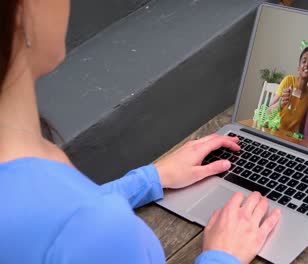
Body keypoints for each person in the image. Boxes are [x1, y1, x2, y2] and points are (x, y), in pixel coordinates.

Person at [0, 0, 281, 263]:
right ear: (23, 11)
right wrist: (222, 256)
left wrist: (148, 179)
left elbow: (47, 219)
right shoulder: (97, 231)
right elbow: (72, 227)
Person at [267, 46, 308, 133]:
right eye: (304, 61)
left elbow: (302, 127)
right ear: (298, 68)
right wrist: (281, 103)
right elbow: (267, 112)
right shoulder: (289, 81)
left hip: (287, 140)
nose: (307, 64)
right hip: (272, 131)